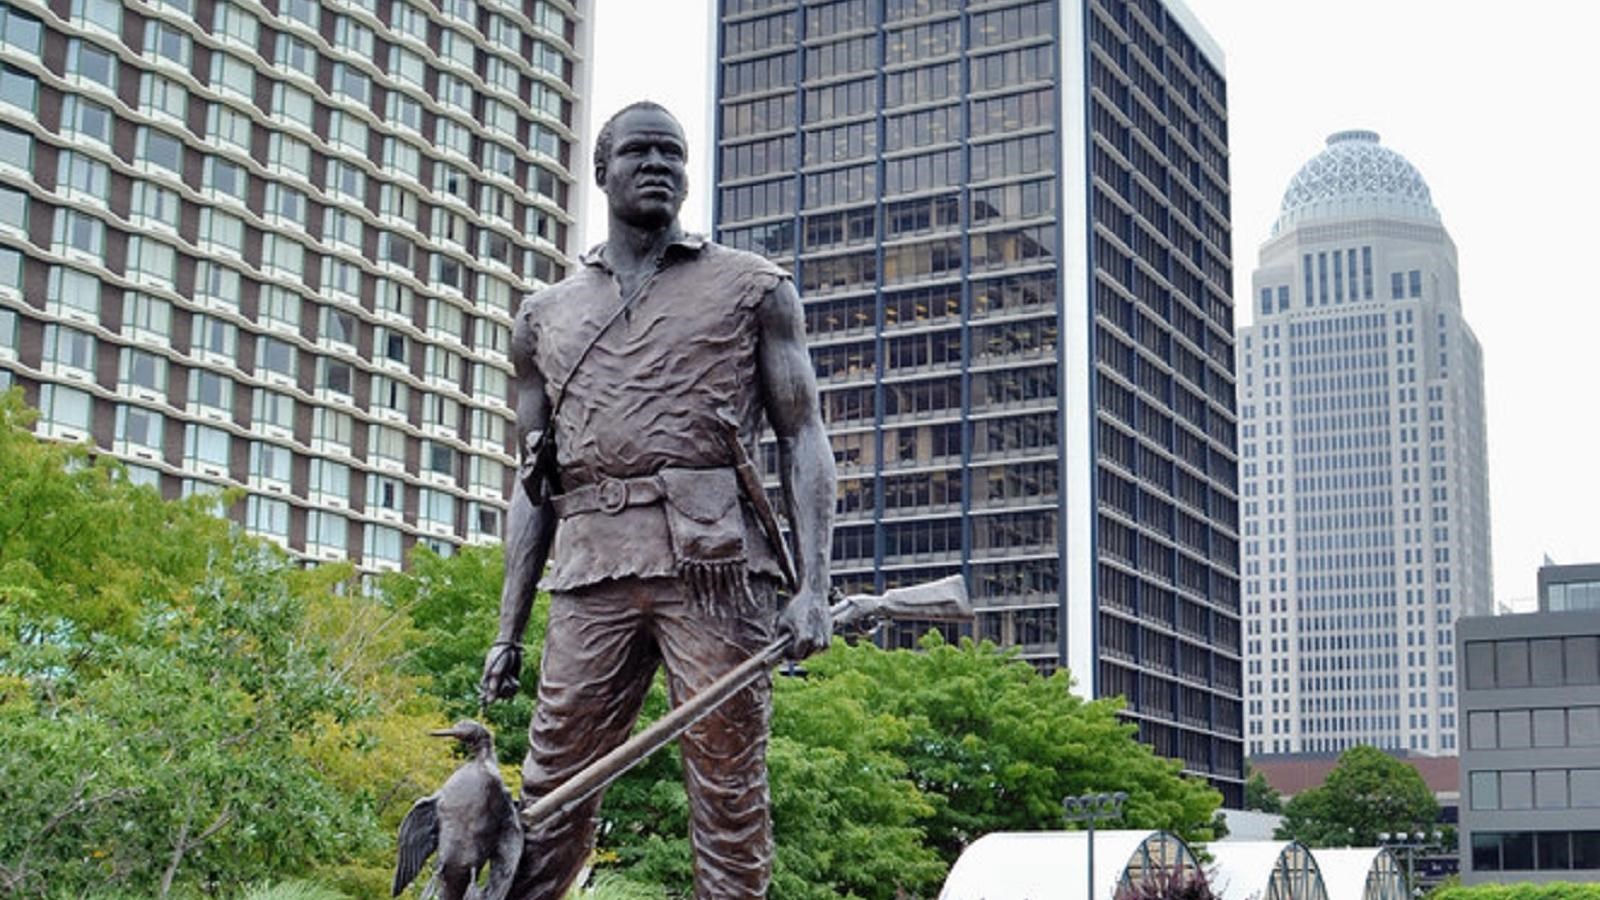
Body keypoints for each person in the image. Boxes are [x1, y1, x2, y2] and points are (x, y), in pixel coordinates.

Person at [477, 101, 836, 900]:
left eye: (673, 154)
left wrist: (815, 587)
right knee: (552, 788)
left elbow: (804, 438)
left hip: (715, 569)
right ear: (602, 172)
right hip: (590, 570)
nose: (658, 166)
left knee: (728, 784)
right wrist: (507, 630)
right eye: (639, 152)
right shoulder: (543, 317)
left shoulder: (754, 288)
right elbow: (533, 482)